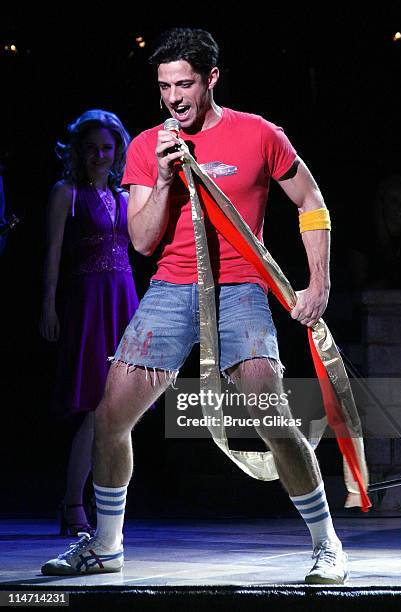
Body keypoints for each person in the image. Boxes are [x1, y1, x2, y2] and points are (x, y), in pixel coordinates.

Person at [41, 28, 347, 584]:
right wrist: (160, 178)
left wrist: (317, 282)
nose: (174, 97)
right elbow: (140, 240)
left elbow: (312, 199)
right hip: (172, 290)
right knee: (111, 415)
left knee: (270, 416)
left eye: (184, 84)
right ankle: (107, 546)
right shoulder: (144, 146)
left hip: (241, 289)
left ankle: (327, 544)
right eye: (164, 86)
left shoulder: (259, 134)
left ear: (211, 79)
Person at [39, 109, 139, 536]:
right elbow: (53, 253)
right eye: (92, 147)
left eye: (107, 147)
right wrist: (48, 305)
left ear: (117, 150)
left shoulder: (124, 196)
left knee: (120, 410)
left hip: (124, 301)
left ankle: (99, 503)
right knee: (97, 408)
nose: (100, 155)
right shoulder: (67, 192)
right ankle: (73, 502)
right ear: (79, 150)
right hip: (88, 305)